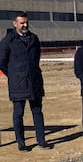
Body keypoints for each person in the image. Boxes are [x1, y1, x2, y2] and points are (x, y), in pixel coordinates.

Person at [0, 11, 52, 151]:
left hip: (34, 82)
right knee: (18, 113)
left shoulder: (34, 39)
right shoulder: (8, 41)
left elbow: (36, 58)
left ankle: (41, 141)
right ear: (15, 24)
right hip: (18, 84)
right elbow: (2, 62)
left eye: (26, 22)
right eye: (22, 23)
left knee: (37, 112)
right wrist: (14, 74)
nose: (25, 25)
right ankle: (21, 143)